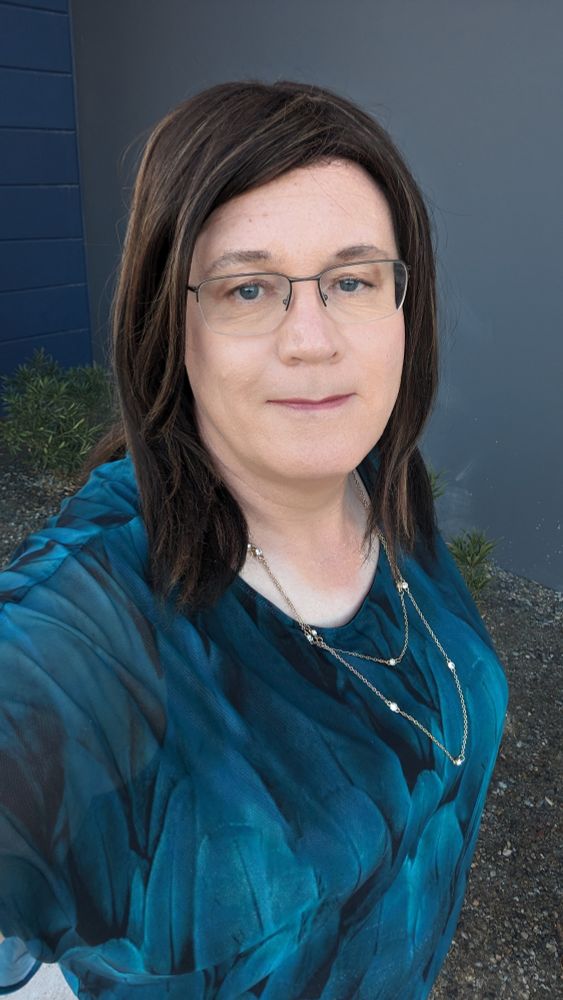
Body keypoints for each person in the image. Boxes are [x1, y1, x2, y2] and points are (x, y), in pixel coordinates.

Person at [0, 80, 508, 999]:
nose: (310, 340)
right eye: (247, 288)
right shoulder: (94, 616)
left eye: (351, 280)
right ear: (171, 323)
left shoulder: (384, 481)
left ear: (405, 307)